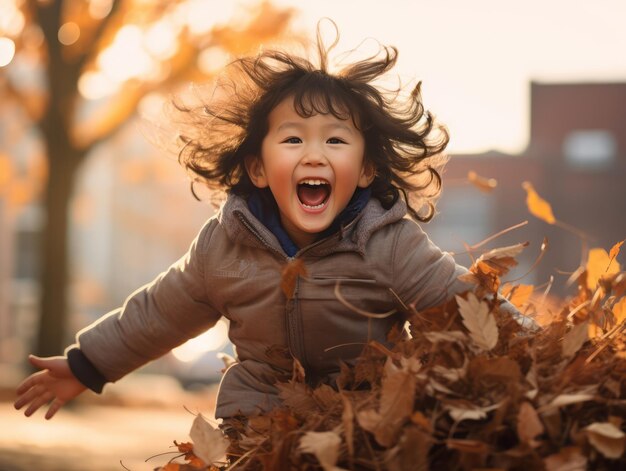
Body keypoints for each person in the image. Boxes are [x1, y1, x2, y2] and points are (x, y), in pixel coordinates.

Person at [15, 23, 537, 423]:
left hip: (364, 419)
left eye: (335, 140)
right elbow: (160, 311)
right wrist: (87, 365)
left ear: (366, 170)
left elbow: (466, 306)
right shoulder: (225, 245)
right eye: (293, 140)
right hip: (258, 417)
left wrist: (547, 352)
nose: (314, 154)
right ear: (258, 169)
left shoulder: (388, 242)